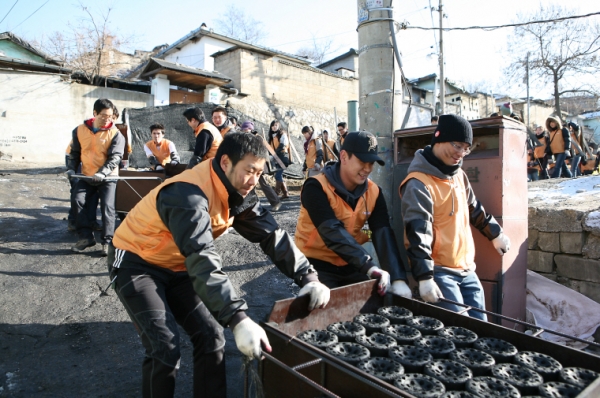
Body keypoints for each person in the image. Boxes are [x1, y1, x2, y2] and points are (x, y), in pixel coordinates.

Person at [110, 132, 330, 397]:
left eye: (260, 174)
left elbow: (272, 234)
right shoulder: (188, 194)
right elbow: (201, 257)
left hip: (178, 265)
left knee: (212, 335)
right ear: (225, 162)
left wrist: (309, 277)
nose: (254, 181)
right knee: (164, 347)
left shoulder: (237, 191)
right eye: (249, 171)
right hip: (137, 262)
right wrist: (238, 318)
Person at [400, 115, 510, 320]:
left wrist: (495, 233)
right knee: (460, 334)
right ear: (439, 138)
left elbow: (473, 208)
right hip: (440, 272)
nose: (461, 153)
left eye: (466, 148)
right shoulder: (418, 183)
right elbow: (417, 234)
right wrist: (425, 277)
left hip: (468, 270)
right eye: (457, 145)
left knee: (483, 329)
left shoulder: (458, 175)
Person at [294, 131, 411, 297]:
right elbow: (331, 230)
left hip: (350, 261)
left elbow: (382, 231)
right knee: (325, 307)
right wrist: (369, 266)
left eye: (372, 163)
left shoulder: (373, 192)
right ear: (343, 156)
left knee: (370, 301)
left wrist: (398, 279)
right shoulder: (315, 187)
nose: (368, 169)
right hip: (315, 264)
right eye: (363, 161)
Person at [65, 98, 125, 256]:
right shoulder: (79, 130)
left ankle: (107, 241)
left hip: (108, 178)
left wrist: (103, 173)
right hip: (87, 176)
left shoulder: (116, 134)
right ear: (94, 113)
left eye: (111, 116)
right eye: (104, 115)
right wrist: (71, 168)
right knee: (78, 200)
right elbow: (75, 153)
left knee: (107, 208)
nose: (108, 119)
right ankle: (86, 237)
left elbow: (115, 157)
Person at [241, 120, 282, 211]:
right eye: (243, 129)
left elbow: (261, 153)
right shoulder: (247, 138)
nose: (244, 130)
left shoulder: (257, 138)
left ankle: (276, 202)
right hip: (251, 165)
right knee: (250, 184)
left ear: (250, 129)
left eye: (246, 129)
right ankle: (250, 204)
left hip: (258, 165)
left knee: (263, 184)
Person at [268, 120, 291, 199]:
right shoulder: (272, 137)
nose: (274, 127)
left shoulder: (282, 135)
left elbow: (282, 145)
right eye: (273, 125)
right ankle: (285, 193)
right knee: (278, 175)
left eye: (276, 125)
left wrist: (273, 155)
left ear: (279, 126)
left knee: (278, 175)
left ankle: (276, 194)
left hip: (282, 157)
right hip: (276, 158)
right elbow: (270, 149)